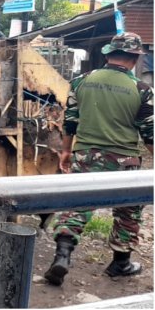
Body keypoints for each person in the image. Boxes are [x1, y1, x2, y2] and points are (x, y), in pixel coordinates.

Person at [44, 32, 153, 286]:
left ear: (109, 54)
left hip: (86, 155)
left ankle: (62, 256)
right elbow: (149, 133)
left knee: (77, 205)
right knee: (128, 210)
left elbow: (70, 120)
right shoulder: (142, 89)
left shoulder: (81, 81)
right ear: (135, 57)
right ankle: (121, 263)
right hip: (125, 159)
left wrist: (66, 151)